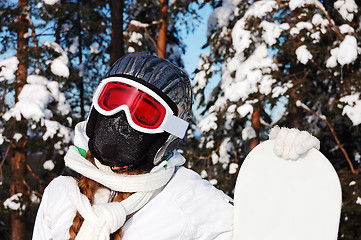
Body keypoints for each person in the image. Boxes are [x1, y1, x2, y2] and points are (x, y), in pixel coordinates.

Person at [32, 53, 320, 240]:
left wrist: (287, 179)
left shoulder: (186, 194)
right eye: (114, 100)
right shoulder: (60, 193)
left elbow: (262, 231)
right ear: (96, 105)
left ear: (166, 133)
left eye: (144, 114)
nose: (121, 118)